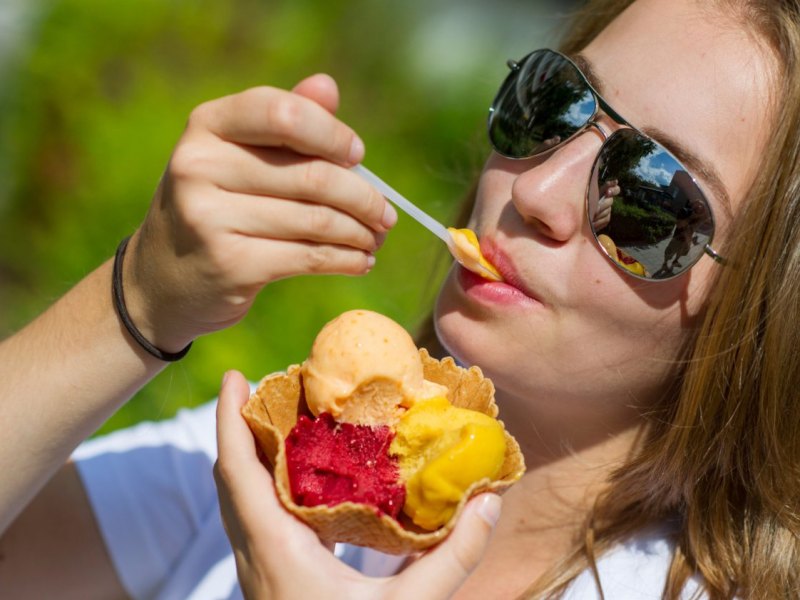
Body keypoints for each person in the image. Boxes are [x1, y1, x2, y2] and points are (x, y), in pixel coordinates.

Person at [2, 0, 799, 597]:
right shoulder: (299, 463)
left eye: (652, 199)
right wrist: (138, 302)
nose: (537, 193)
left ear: (763, 317)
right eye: (555, 101)